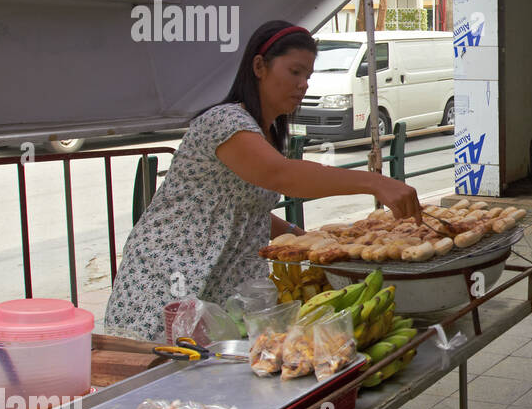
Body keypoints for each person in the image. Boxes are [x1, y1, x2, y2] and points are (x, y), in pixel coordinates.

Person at [104, 21, 421, 340]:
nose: (303, 85)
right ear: (259, 66)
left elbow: (247, 208)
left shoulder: (266, 133)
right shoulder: (225, 121)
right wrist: (376, 182)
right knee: (156, 374)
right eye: (295, 72)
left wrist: (300, 238)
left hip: (220, 285)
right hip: (170, 274)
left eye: (308, 76)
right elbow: (281, 175)